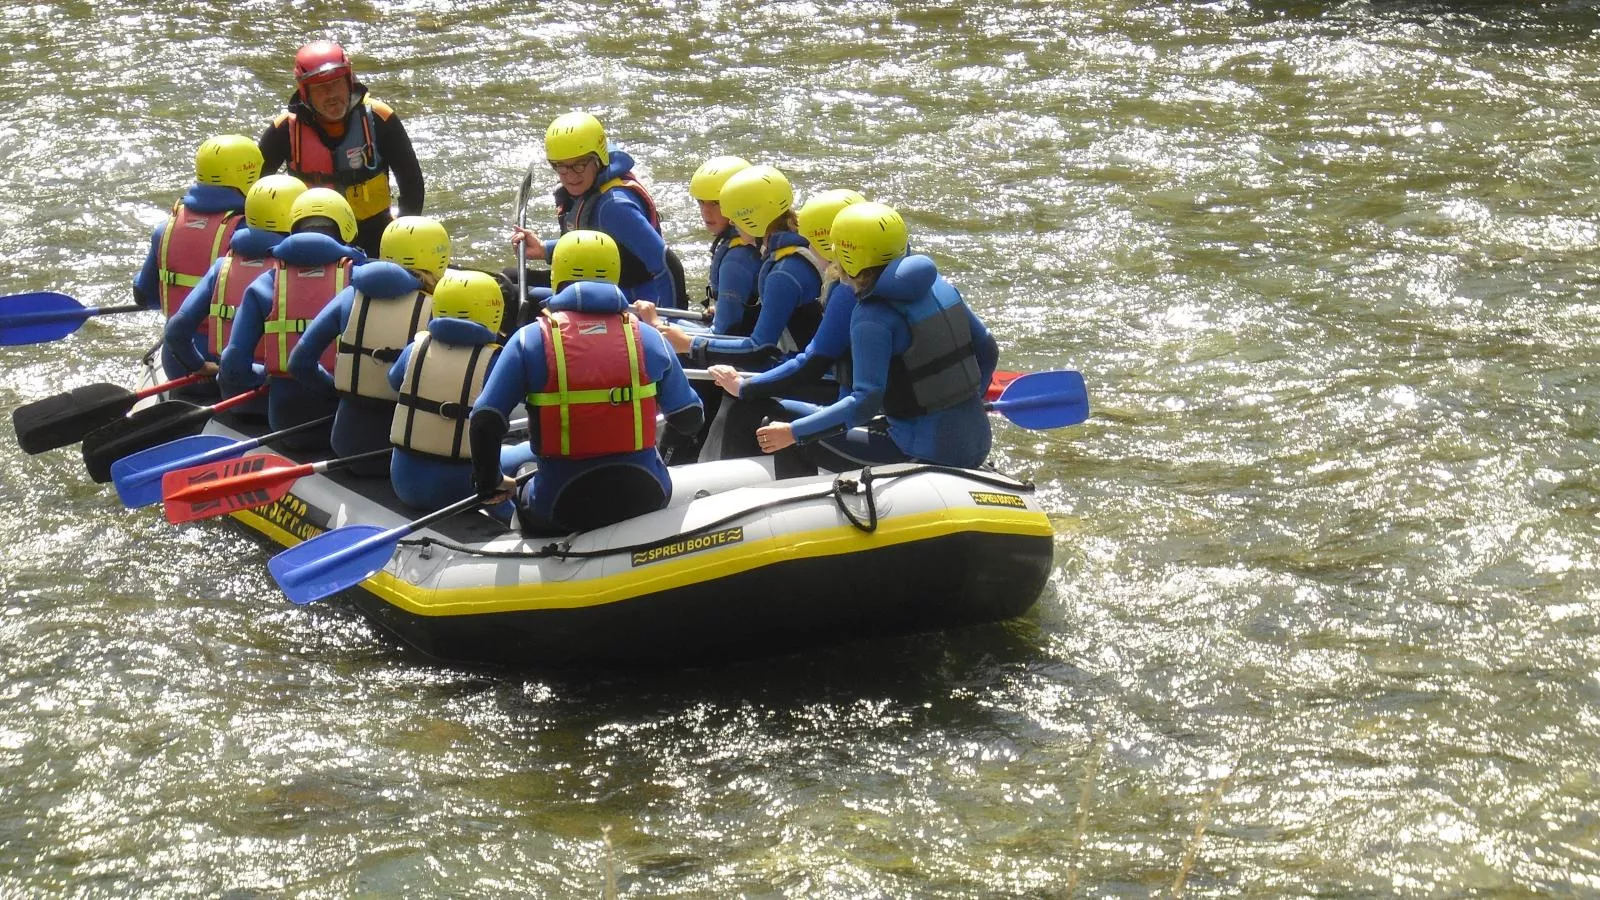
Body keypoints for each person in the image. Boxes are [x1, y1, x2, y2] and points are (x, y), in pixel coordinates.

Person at [470, 231, 702, 535]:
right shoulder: (649, 337)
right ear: (615, 276)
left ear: (557, 275)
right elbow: (689, 419)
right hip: (647, 493)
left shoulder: (529, 339)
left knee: (526, 472)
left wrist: (490, 484)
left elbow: (485, 421)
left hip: (560, 505)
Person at [751, 202, 1000, 471]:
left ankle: (794, 510)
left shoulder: (872, 315)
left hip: (920, 453)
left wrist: (792, 433)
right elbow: (988, 349)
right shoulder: (940, 287)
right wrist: (970, 398)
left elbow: (865, 402)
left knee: (782, 424)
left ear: (847, 257)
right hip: (977, 440)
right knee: (800, 420)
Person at [706, 188, 866, 464]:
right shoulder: (930, 287)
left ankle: (741, 491)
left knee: (749, 410)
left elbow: (811, 362)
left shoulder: (846, 292)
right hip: (868, 406)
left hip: (863, 414)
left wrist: (747, 386)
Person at [288, 216, 446, 474]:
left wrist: (336, 391)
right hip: (397, 455)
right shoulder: (437, 313)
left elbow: (299, 363)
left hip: (345, 444)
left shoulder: (350, 295)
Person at [219, 188, 366, 450]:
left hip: (286, 422)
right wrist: (333, 388)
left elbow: (233, 365)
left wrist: (266, 375)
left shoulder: (267, 283)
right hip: (344, 423)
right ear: (348, 228)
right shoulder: (362, 279)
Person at [257, 40, 424, 257]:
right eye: (320, 88)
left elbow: (412, 186)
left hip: (375, 237)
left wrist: (400, 238)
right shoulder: (285, 130)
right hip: (311, 240)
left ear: (349, 82)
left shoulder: (380, 119)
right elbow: (254, 192)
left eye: (336, 84)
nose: (331, 95)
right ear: (305, 92)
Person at [654, 164, 824, 370]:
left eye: (735, 219)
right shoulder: (789, 253)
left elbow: (760, 348)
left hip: (802, 374)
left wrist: (690, 344)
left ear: (753, 222)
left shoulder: (783, 273)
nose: (732, 223)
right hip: (796, 363)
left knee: (662, 347)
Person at [133, 134, 262, 391]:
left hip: (177, 362)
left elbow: (143, 295)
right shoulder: (249, 235)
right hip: (225, 365)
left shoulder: (166, 228)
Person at [508, 112, 676, 308]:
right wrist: (545, 249)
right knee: (510, 278)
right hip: (604, 286)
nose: (570, 176)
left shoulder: (614, 207)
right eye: (561, 167)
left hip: (631, 301)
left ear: (598, 159)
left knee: (510, 295)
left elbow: (668, 265)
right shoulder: (590, 187)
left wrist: (668, 322)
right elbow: (597, 240)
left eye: (579, 165)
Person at [162, 174, 307, 385]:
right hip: (277, 395)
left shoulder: (223, 265)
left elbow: (176, 331)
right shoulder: (301, 273)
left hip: (225, 386)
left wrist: (199, 366)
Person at [387, 270, 506, 512]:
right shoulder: (495, 360)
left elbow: (394, 381)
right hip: (461, 491)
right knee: (525, 452)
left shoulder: (414, 349)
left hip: (404, 485)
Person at [688, 155, 760, 331]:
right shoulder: (755, 239)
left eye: (716, 203)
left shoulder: (736, 260)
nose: (705, 212)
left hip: (741, 347)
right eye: (701, 202)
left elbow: (724, 330)